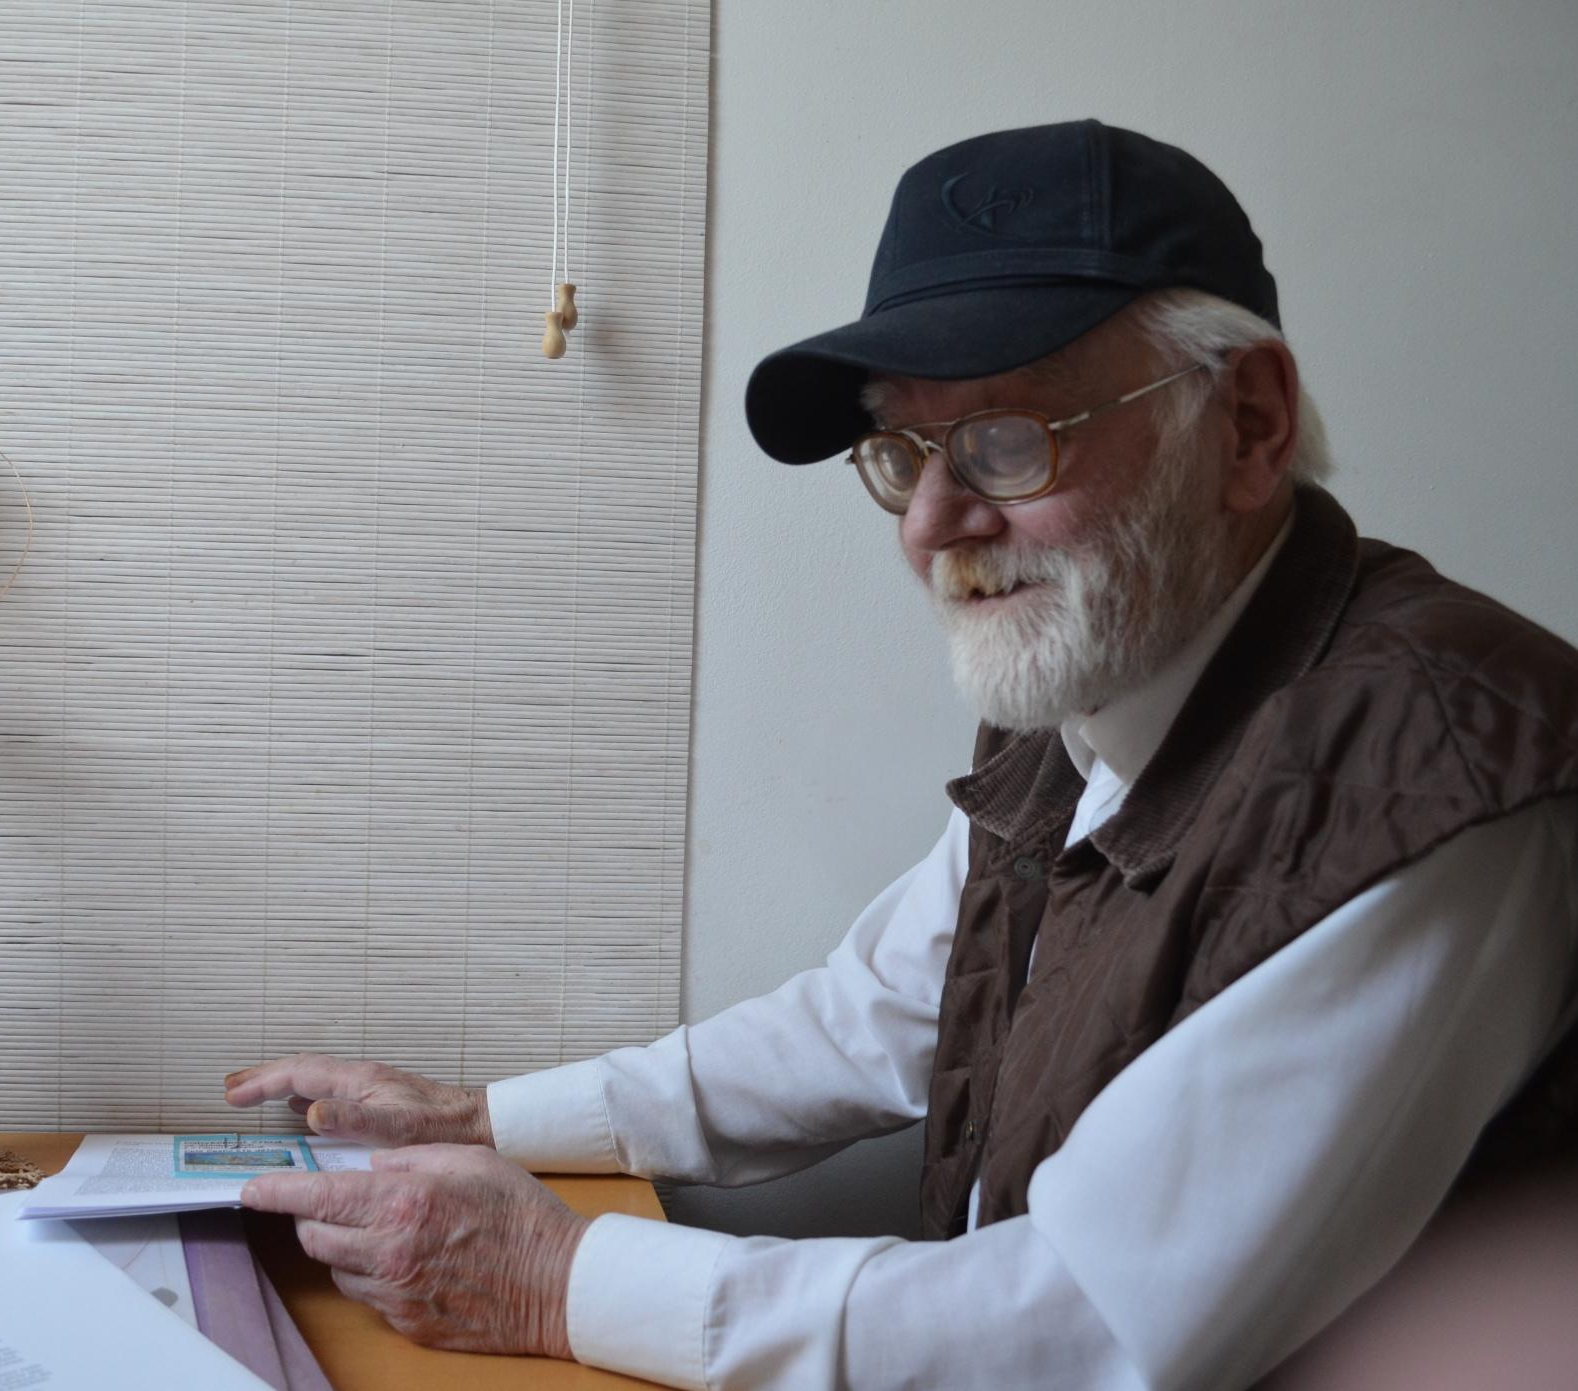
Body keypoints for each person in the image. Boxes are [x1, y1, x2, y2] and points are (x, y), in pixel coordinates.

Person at [225, 120, 1578, 1389]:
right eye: (903, 449)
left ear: (1248, 424)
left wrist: (559, 1279)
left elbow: (1088, 1329)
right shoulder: (1109, 665)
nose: (931, 524)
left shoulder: (1432, 771)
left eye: (1007, 439)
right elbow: (879, 1014)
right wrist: (479, 1122)